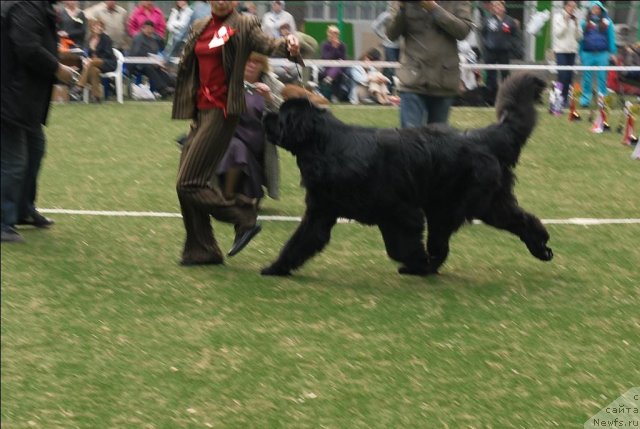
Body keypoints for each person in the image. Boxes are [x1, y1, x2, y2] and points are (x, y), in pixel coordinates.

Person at [171, 0, 300, 265]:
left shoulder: (243, 24)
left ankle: (244, 215)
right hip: (200, 111)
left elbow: (268, 44)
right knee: (187, 184)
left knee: (188, 183)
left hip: (222, 112)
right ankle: (201, 249)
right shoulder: (200, 25)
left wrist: (288, 44)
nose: (221, 1)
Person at [1, 0, 77, 242]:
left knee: (35, 149)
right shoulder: (25, 5)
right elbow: (27, 47)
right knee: (14, 162)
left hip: (22, 99)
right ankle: (4, 222)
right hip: (9, 97)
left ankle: (23, 210)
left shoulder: (36, 6)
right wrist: (57, 68)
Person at [386, 1, 472, 127]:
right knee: (410, 140)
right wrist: (402, 8)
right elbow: (391, 34)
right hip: (412, 78)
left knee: (437, 141)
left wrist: (434, 9)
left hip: (444, 78)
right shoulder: (399, 3)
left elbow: (463, 31)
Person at [216, 52, 284, 203]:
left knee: (249, 200)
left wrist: (269, 98)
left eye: (257, 62)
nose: (252, 65)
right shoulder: (227, 80)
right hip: (231, 138)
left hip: (259, 145)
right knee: (236, 147)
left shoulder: (273, 84)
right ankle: (228, 194)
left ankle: (243, 193)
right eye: (248, 61)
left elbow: (287, 115)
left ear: (263, 65)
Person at [480, 0, 521, 106]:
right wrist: (487, 44)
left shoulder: (510, 21)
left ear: (503, 7)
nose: (497, 7)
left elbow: (515, 35)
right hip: (490, 53)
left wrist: (510, 45)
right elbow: (483, 33)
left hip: (504, 52)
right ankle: (490, 100)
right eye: (495, 6)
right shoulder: (488, 20)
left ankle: (506, 98)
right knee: (490, 76)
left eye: (499, 5)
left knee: (505, 76)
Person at [578, 1, 616, 107]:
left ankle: (602, 100)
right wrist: (580, 53)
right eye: (594, 8)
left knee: (602, 78)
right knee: (586, 78)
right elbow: (581, 40)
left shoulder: (608, 22)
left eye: (598, 8)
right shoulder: (584, 23)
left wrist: (612, 52)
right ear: (590, 10)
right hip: (587, 53)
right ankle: (585, 100)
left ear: (601, 9)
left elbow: (611, 38)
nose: (596, 10)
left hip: (602, 54)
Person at [70, 18, 117, 103]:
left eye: (101, 26)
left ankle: (79, 86)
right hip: (94, 65)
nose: (99, 28)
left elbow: (108, 54)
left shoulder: (106, 38)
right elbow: (86, 53)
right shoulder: (90, 39)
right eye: (96, 26)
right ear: (92, 27)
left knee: (91, 62)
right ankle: (96, 97)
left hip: (108, 63)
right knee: (95, 71)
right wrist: (85, 58)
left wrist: (94, 56)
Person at [129, 20, 175, 99]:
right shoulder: (138, 38)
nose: (149, 31)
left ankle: (173, 85)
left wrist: (159, 61)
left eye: (151, 29)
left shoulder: (154, 38)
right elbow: (135, 53)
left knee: (160, 70)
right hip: (139, 64)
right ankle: (162, 89)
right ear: (143, 29)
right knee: (150, 68)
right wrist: (149, 59)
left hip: (153, 63)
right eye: (147, 29)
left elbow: (160, 50)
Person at [552, 1, 583, 107]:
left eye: (574, 7)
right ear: (565, 6)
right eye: (570, 6)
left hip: (572, 51)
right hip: (561, 51)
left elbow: (579, 37)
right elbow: (557, 34)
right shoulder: (558, 17)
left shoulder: (575, 19)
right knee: (562, 75)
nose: (572, 8)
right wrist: (565, 22)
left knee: (569, 77)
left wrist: (577, 25)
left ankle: (565, 99)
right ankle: (558, 99)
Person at [371, 2, 401, 94]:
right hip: (389, 46)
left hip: (399, 46)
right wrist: (383, 36)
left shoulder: (401, 15)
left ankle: (385, 90)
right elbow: (374, 26)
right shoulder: (386, 15)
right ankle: (390, 92)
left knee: (390, 69)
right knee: (391, 69)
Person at [319, 25, 348, 102]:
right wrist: (334, 48)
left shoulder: (342, 45)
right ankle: (330, 80)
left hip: (340, 68)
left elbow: (343, 58)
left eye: (336, 33)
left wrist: (336, 48)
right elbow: (326, 57)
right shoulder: (325, 44)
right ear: (328, 33)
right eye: (331, 33)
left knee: (338, 67)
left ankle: (329, 79)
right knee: (336, 71)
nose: (333, 35)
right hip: (327, 68)